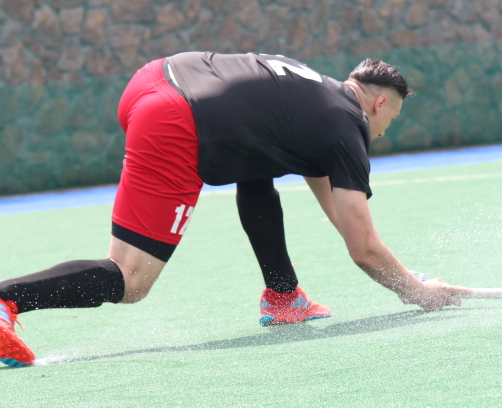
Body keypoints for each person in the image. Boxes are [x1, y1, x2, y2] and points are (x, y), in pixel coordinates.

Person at [0, 52, 472, 367]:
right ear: (380, 102)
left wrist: (405, 276)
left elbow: (339, 211)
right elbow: (363, 249)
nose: (386, 129)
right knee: (131, 278)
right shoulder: (348, 127)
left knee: (258, 164)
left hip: (153, 78)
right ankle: (6, 299)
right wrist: (416, 292)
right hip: (175, 119)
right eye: (392, 117)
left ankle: (283, 297)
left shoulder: (313, 93)